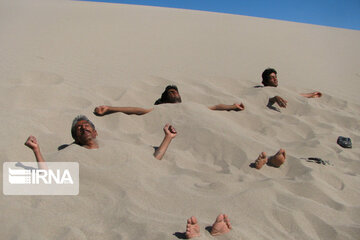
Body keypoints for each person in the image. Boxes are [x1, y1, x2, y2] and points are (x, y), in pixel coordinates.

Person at [94, 85, 245, 116]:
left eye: (176, 92)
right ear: (165, 99)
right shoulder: (162, 108)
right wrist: (110, 108)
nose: (175, 94)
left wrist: (233, 106)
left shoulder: (193, 105)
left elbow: (216, 106)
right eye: (171, 93)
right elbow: (138, 110)